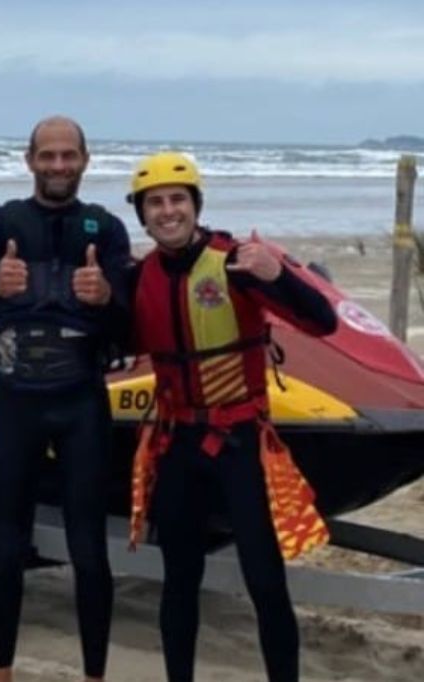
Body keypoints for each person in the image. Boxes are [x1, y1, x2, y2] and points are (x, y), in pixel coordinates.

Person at [124, 151, 337, 682]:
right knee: (178, 579)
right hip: (177, 445)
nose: (167, 211)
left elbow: (322, 322)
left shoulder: (238, 263)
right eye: (155, 203)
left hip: (240, 441)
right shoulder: (139, 277)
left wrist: (280, 279)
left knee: (265, 581)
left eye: (177, 199)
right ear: (142, 213)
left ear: (195, 206)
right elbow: (111, 341)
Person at [0, 116, 132, 682]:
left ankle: (95, 673)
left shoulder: (106, 228)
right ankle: (1, 670)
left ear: (85, 159)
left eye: (68, 156)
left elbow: (132, 331)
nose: (58, 166)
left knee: (88, 549)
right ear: (29, 160)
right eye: (47, 156)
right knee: (6, 545)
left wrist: (105, 298)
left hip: (81, 402)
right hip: (16, 403)